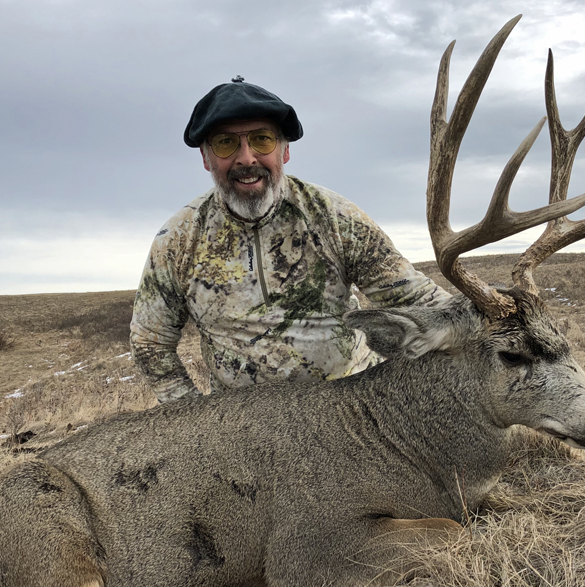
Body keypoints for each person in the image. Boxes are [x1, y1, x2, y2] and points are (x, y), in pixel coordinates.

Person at [130, 77, 449, 402]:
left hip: (351, 415)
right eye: (226, 143)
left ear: (284, 151)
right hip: (240, 430)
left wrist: (492, 312)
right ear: (206, 158)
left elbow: (420, 301)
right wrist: (197, 421)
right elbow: (149, 342)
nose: (246, 158)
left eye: (262, 140)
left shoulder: (335, 218)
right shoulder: (179, 239)